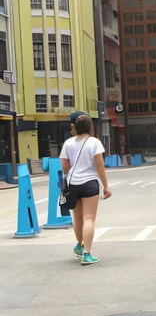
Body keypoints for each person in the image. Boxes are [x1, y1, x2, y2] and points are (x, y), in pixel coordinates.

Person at [59, 113, 111, 265]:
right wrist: (106, 187)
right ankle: (87, 254)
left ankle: (79, 245)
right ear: (90, 127)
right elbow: (99, 166)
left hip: (72, 183)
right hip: (89, 183)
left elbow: (65, 166)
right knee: (89, 218)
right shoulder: (94, 142)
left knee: (77, 217)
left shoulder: (68, 143)